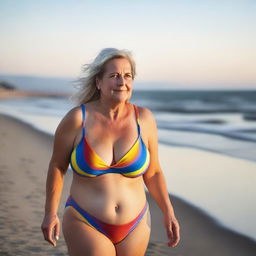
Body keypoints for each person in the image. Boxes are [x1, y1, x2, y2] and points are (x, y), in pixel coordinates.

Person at [41, 48, 180, 256]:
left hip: (137, 223)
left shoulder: (144, 119)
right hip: (85, 219)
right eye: (114, 76)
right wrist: (50, 213)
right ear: (98, 82)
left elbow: (154, 172)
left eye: (127, 76)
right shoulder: (78, 119)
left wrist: (169, 212)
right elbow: (57, 166)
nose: (121, 82)